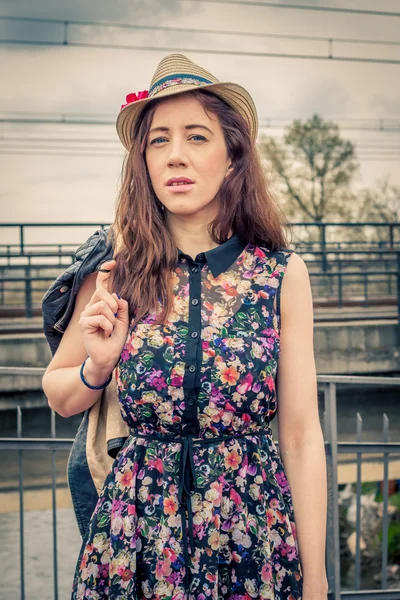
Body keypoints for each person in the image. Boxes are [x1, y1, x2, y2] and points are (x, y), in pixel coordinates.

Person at [42, 53, 328, 599]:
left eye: (197, 137)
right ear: (142, 162)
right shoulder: (115, 268)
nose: (176, 155)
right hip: (137, 539)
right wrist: (98, 366)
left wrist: (314, 579)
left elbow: (299, 435)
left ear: (232, 157)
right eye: (158, 140)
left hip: (250, 535)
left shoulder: (280, 274)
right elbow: (59, 394)